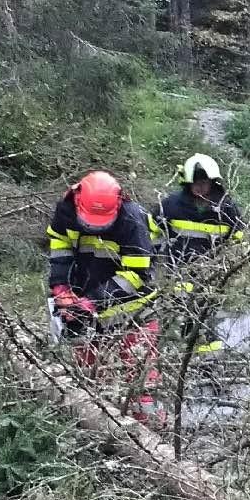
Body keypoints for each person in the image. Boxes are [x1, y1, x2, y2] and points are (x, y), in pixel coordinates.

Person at [46, 171, 164, 424]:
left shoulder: (132, 220)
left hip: (134, 312)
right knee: (91, 378)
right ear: (78, 201)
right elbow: (60, 246)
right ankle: (101, 430)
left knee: (141, 381)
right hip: (86, 311)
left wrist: (93, 302)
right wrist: (61, 288)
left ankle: (154, 436)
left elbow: (136, 275)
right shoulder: (66, 210)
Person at [158, 153, 246, 264]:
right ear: (188, 183)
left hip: (212, 273)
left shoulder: (227, 209)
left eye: (204, 182)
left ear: (213, 183)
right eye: (195, 182)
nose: (199, 186)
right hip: (175, 270)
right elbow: (154, 234)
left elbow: (238, 242)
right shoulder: (172, 204)